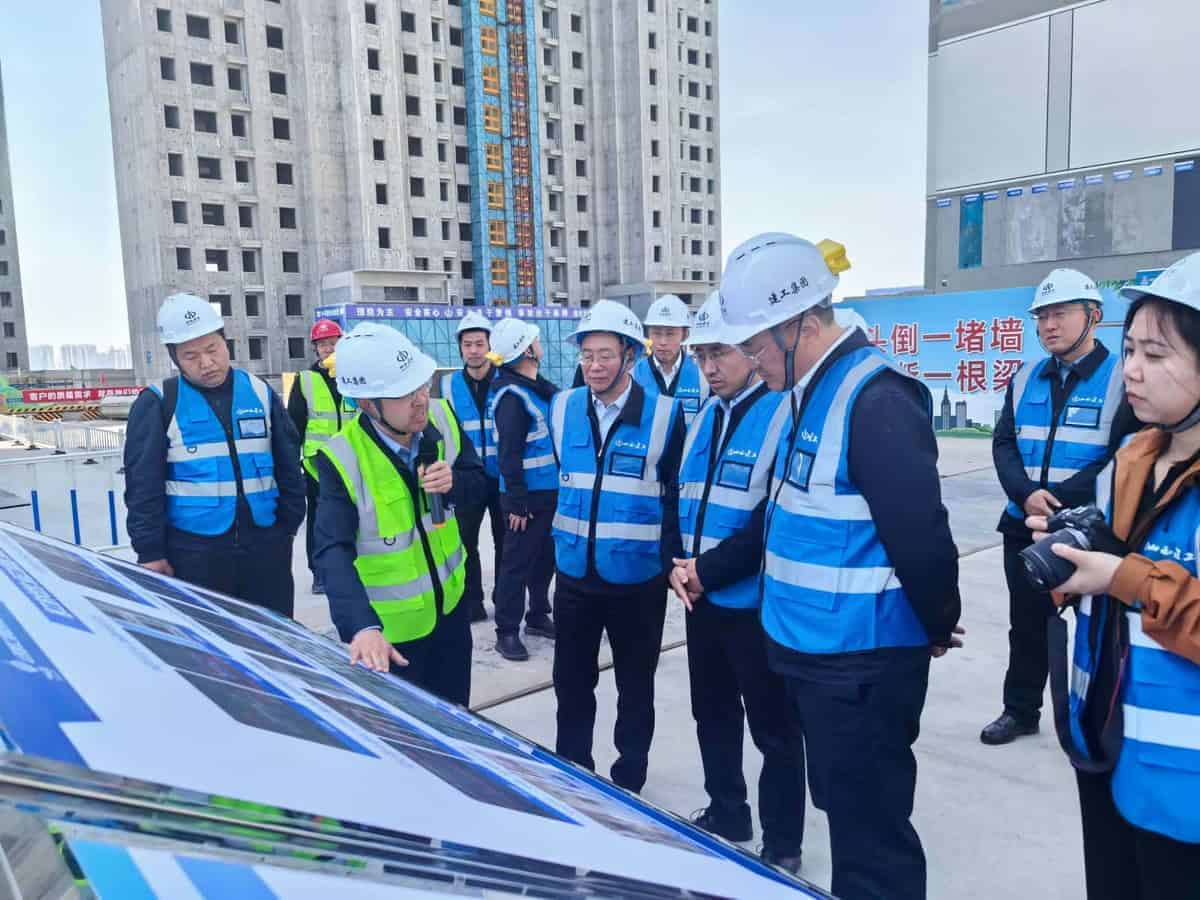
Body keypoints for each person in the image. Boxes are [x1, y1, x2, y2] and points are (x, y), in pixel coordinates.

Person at [674, 234, 963, 900]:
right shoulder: (808, 394)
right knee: (849, 821)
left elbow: (922, 536)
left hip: (863, 663)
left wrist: (936, 623)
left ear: (798, 324)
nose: (749, 360)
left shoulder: (875, 398)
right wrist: (708, 571)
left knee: (874, 840)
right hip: (818, 658)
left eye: (753, 345)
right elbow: (779, 520)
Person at [1027, 253, 1200, 899]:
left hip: (1186, 791)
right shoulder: (1133, 457)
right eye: (1129, 350)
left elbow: (1132, 582)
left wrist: (1123, 578)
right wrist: (1074, 569)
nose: (1130, 370)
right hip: (1108, 748)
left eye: (1155, 355)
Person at [673, 292, 805, 874]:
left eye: (720, 353)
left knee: (774, 729)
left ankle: (782, 842)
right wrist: (677, 565)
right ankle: (728, 811)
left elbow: (769, 521)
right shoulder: (706, 414)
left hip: (754, 606)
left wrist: (705, 572)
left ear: (752, 350)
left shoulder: (782, 413)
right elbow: (679, 497)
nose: (709, 367)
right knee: (712, 713)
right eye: (701, 356)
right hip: (700, 601)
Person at [982, 268, 1138, 746]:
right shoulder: (1024, 376)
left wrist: (1061, 502)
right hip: (1023, 524)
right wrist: (1024, 494)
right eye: (1042, 316)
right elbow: (1004, 443)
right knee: (1026, 625)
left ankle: (1099, 719)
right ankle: (1020, 710)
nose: (1049, 325)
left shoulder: (1123, 378)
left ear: (1094, 316)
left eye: (1060, 314)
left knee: (1100, 629)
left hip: (1093, 530)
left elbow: (1126, 454)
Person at [549, 299, 686, 794]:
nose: (594, 366)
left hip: (637, 580)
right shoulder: (562, 408)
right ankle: (573, 772)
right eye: (587, 355)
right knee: (571, 684)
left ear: (630, 356)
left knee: (635, 686)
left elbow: (675, 497)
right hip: (574, 575)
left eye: (605, 355)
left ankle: (629, 778)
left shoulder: (665, 416)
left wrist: (670, 562)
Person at [313, 323, 487, 705]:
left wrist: (455, 483)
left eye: (422, 385)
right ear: (366, 403)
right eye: (405, 394)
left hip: (452, 614)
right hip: (392, 638)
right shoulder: (343, 458)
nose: (421, 399)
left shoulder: (442, 418)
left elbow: (479, 484)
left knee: (456, 719)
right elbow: (331, 551)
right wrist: (361, 626)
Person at [124, 293, 305, 615]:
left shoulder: (259, 392)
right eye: (191, 356)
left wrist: (287, 527)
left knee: (275, 632)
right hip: (194, 552)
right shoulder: (158, 403)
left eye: (212, 349)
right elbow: (142, 485)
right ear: (175, 358)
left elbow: (288, 463)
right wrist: (150, 551)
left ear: (225, 342)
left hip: (265, 546)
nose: (206, 363)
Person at [486, 317, 558, 661]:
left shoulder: (537, 388)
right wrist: (517, 503)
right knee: (516, 564)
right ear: (527, 350)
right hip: (525, 498)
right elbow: (508, 455)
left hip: (549, 492)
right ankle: (507, 631)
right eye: (535, 340)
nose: (540, 343)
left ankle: (538, 615)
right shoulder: (512, 397)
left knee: (545, 560)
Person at [439, 312, 503, 623]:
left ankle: (504, 600)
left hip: (503, 476)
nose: (474, 350)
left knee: (506, 544)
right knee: (465, 543)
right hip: (466, 477)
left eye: (480, 343)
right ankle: (472, 601)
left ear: (490, 346)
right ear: (460, 348)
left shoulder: (505, 380)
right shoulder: (447, 384)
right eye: (468, 344)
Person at [287, 318, 354, 595]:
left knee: (355, 515)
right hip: (318, 465)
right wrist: (293, 468)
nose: (328, 348)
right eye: (323, 344)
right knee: (319, 518)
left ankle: (352, 565)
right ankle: (320, 572)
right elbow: (294, 426)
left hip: (353, 461)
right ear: (315, 348)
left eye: (332, 342)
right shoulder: (305, 380)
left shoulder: (353, 377)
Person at [633, 294, 709, 426]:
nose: (663, 342)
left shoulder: (703, 375)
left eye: (670, 334)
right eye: (657, 333)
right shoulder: (633, 375)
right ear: (648, 333)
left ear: (684, 335)